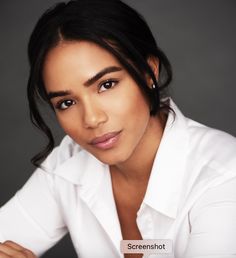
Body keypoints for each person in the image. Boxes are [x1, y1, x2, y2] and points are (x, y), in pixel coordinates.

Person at [0, 0, 235, 257]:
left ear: (149, 72)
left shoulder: (224, 176)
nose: (91, 119)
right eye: (66, 102)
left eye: (107, 84)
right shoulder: (68, 164)